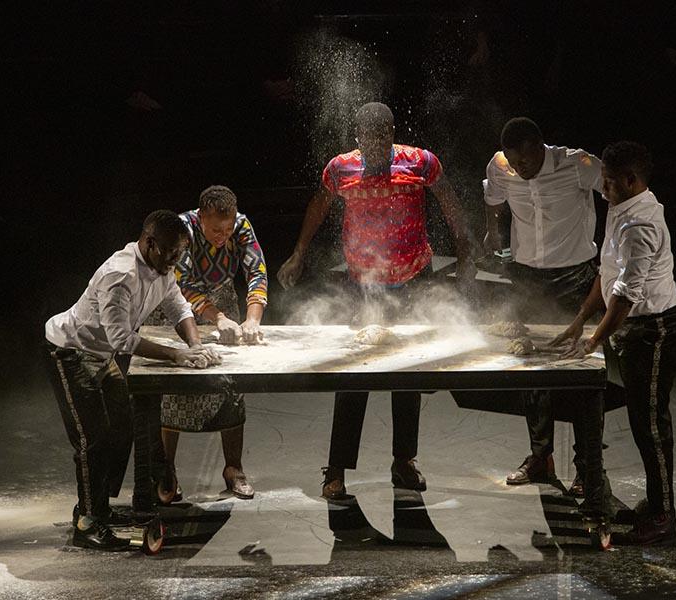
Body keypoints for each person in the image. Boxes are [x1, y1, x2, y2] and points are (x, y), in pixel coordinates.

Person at [277, 102, 476, 500]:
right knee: (353, 374)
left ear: (391, 133)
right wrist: (299, 253)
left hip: (413, 274)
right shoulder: (340, 169)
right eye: (367, 139)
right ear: (357, 138)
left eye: (382, 137)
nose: (374, 146)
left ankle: (404, 461)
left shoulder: (420, 162)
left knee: (410, 373)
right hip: (363, 281)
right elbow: (318, 206)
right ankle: (336, 469)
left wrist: (466, 254)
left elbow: (450, 203)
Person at [43, 210, 221, 550]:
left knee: (122, 427)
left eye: (180, 253)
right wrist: (176, 355)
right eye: (171, 253)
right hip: (69, 352)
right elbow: (121, 340)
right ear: (150, 243)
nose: (175, 260)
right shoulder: (120, 275)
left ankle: (99, 509)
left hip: (99, 354)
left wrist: (195, 345)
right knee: (90, 439)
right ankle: (86, 523)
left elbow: (178, 306)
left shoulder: (162, 267)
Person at [552, 140, 676, 544]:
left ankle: (664, 514)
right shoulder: (619, 208)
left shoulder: (641, 223)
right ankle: (657, 500)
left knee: (651, 425)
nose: (603, 188)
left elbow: (626, 295)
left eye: (609, 182)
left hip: (656, 329)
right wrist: (580, 320)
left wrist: (594, 340)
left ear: (631, 180)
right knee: (642, 424)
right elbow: (607, 274)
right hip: (635, 329)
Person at [483, 117, 602, 495]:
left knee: (580, 373)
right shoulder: (501, 165)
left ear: (540, 146)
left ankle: (587, 466)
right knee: (531, 373)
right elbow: (492, 198)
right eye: (515, 164)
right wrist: (493, 233)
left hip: (575, 278)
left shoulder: (578, 164)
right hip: (528, 278)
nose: (521, 170)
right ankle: (540, 457)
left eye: (527, 163)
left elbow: (616, 192)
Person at [146, 185, 267, 501]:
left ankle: (234, 469)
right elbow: (181, 285)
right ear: (201, 218)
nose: (222, 235)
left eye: (227, 229)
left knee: (231, 384)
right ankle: (167, 471)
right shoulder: (182, 229)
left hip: (222, 300)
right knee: (174, 391)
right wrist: (218, 318)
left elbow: (257, 273)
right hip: (176, 308)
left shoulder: (240, 225)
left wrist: (252, 320)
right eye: (216, 229)